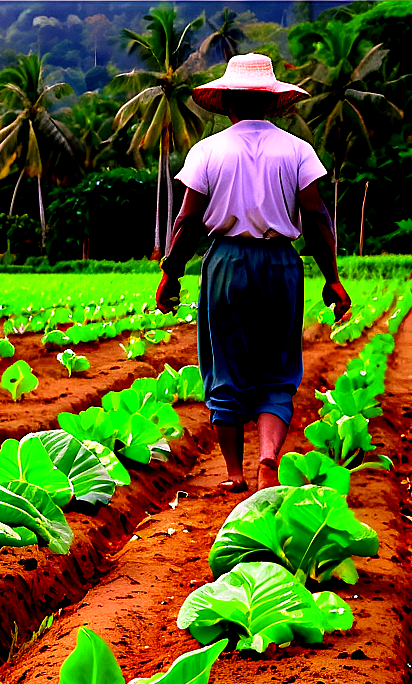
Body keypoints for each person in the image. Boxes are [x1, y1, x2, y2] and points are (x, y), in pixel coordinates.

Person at [155, 53, 351, 493]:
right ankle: (267, 460)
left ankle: (233, 474)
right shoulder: (297, 150)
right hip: (282, 264)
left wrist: (171, 272)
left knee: (225, 365)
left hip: (225, 263)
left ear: (225, 101)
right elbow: (317, 217)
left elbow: (186, 222)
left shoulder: (207, 151)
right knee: (277, 368)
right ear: (271, 101)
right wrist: (332, 277)